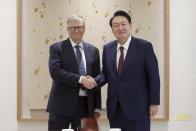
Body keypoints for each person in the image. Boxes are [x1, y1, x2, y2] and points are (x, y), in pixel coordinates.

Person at [87, 10, 160, 131]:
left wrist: (154, 102)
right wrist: (94, 81)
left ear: (130, 25)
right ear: (112, 29)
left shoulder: (144, 46)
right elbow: (106, 73)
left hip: (138, 109)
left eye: (123, 24)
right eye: (116, 25)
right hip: (115, 109)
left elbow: (154, 76)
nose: (120, 28)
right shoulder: (108, 48)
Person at [46, 14, 101, 131]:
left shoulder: (94, 51)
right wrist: (81, 79)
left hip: (86, 106)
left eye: (79, 27)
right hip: (61, 105)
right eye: (72, 28)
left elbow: (96, 79)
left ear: (84, 28)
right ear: (67, 30)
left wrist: (97, 107)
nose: (76, 30)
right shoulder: (56, 48)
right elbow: (55, 72)